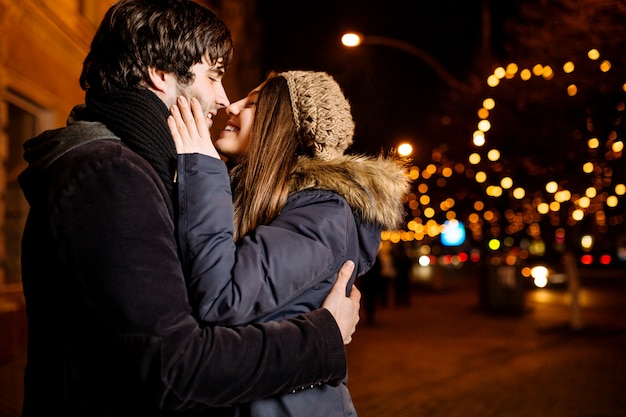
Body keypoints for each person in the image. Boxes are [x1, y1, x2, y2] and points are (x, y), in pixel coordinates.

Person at [17, 1, 361, 415]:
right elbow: (175, 367)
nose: (223, 98)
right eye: (214, 76)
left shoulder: (139, 169)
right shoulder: (111, 175)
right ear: (161, 73)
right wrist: (323, 338)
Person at [168, 71, 411, 416]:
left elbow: (222, 301)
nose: (231, 106)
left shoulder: (323, 211)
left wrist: (202, 170)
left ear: (281, 127)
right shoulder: (247, 198)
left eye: (252, 103)